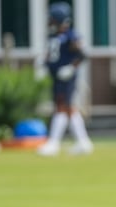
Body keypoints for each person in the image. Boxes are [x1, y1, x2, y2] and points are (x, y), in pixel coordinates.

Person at [37, 2, 93, 156]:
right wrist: (44, 63)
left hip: (66, 77)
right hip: (55, 76)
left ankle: (53, 142)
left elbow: (82, 55)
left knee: (62, 106)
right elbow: (52, 54)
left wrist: (71, 68)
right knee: (69, 109)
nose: (50, 21)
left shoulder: (71, 35)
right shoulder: (52, 36)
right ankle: (83, 142)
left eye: (52, 18)